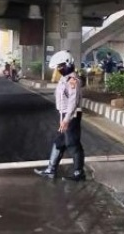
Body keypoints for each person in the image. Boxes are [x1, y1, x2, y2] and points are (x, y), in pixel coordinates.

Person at [34, 50, 86, 181]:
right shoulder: (64, 79)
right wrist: (62, 118)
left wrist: (66, 119)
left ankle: (79, 173)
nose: (58, 69)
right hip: (64, 114)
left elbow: (73, 102)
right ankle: (51, 170)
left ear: (68, 64)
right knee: (59, 142)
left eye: (60, 66)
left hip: (72, 115)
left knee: (72, 144)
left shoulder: (73, 80)